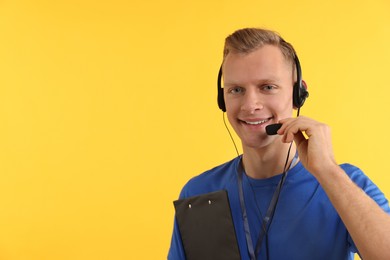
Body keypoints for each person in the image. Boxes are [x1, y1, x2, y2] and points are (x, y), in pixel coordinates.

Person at [168, 28, 390, 260]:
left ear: (298, 93)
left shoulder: (346, 184)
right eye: (236, 90)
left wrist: (327, 170)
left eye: (267, 87)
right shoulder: (199, 193)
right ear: (221, 98)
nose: (250, 104)